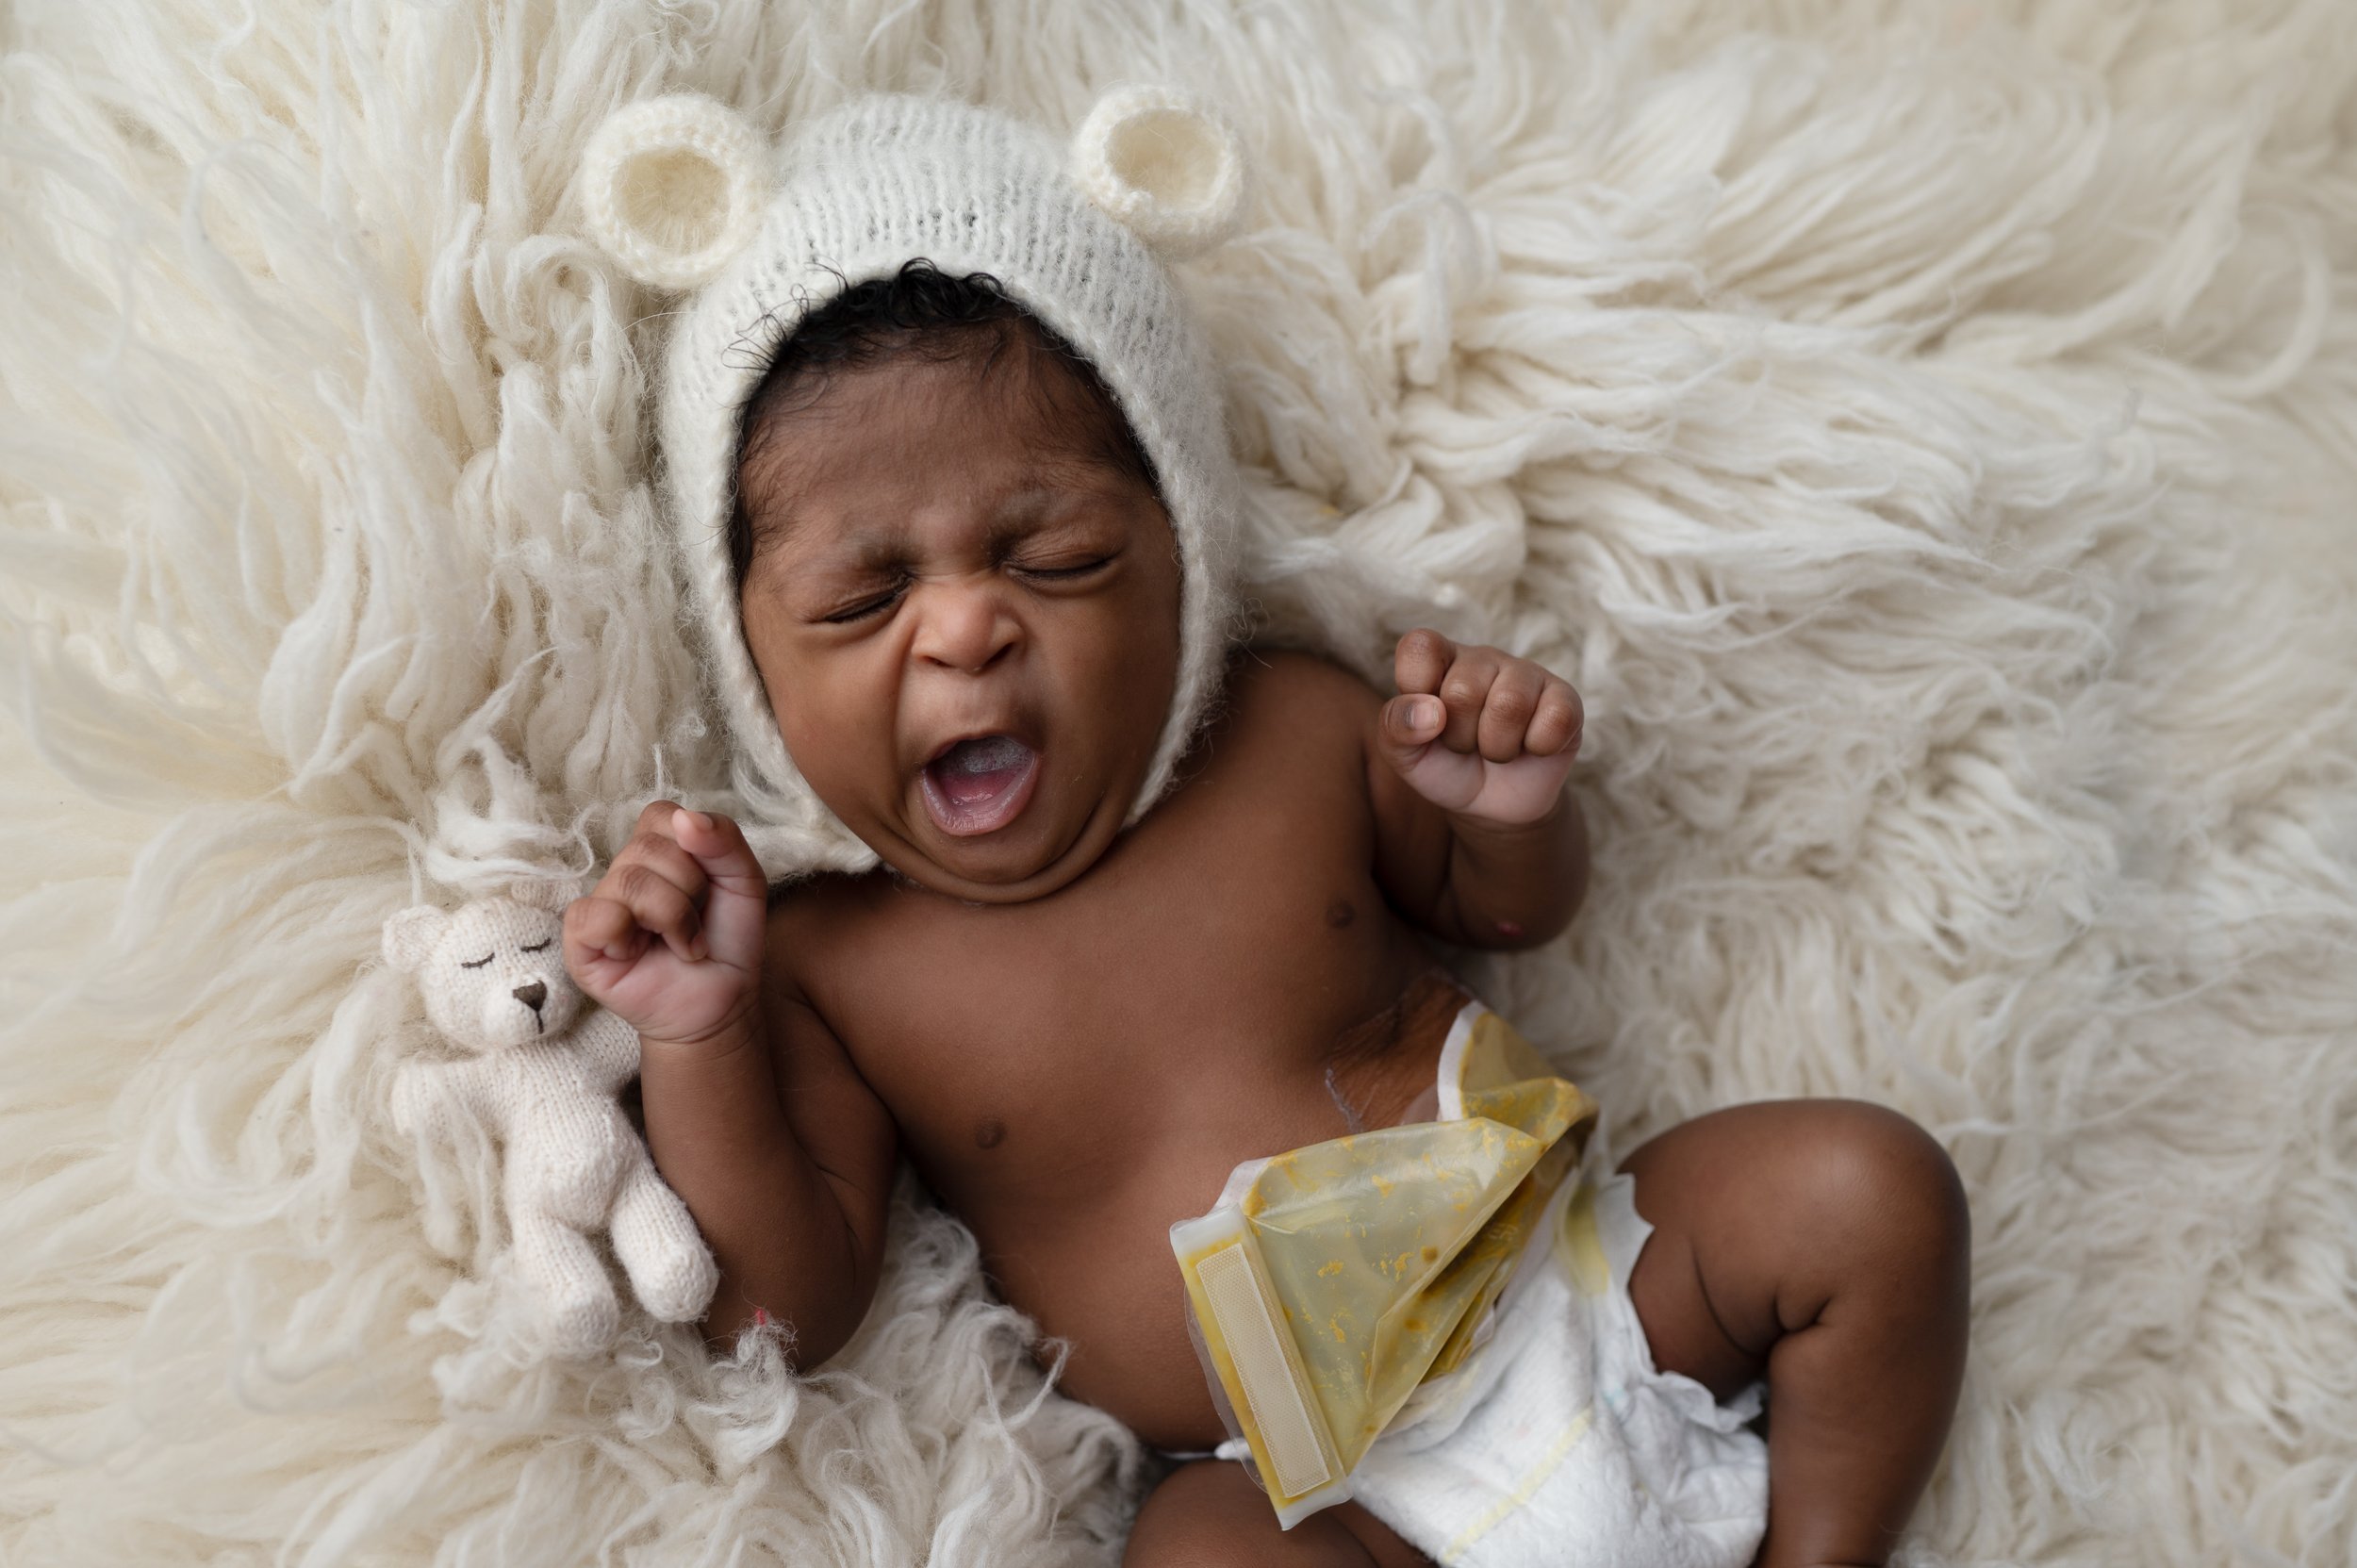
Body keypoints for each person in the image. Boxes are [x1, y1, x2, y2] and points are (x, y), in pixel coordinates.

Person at [563, 91, 1969, 1568]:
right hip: (1317, 1494)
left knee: (1864, 1188)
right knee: (1194, 1552)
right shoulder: (832, 961)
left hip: (1596, 1294)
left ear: (1181, 554)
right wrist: (699, 1036)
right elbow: (785, 1306)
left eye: (1056, 556)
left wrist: (1498, 814)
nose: (966, 625)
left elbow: (1504, 918)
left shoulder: (1290, 730)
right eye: (862, 602)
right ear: (751, 662)